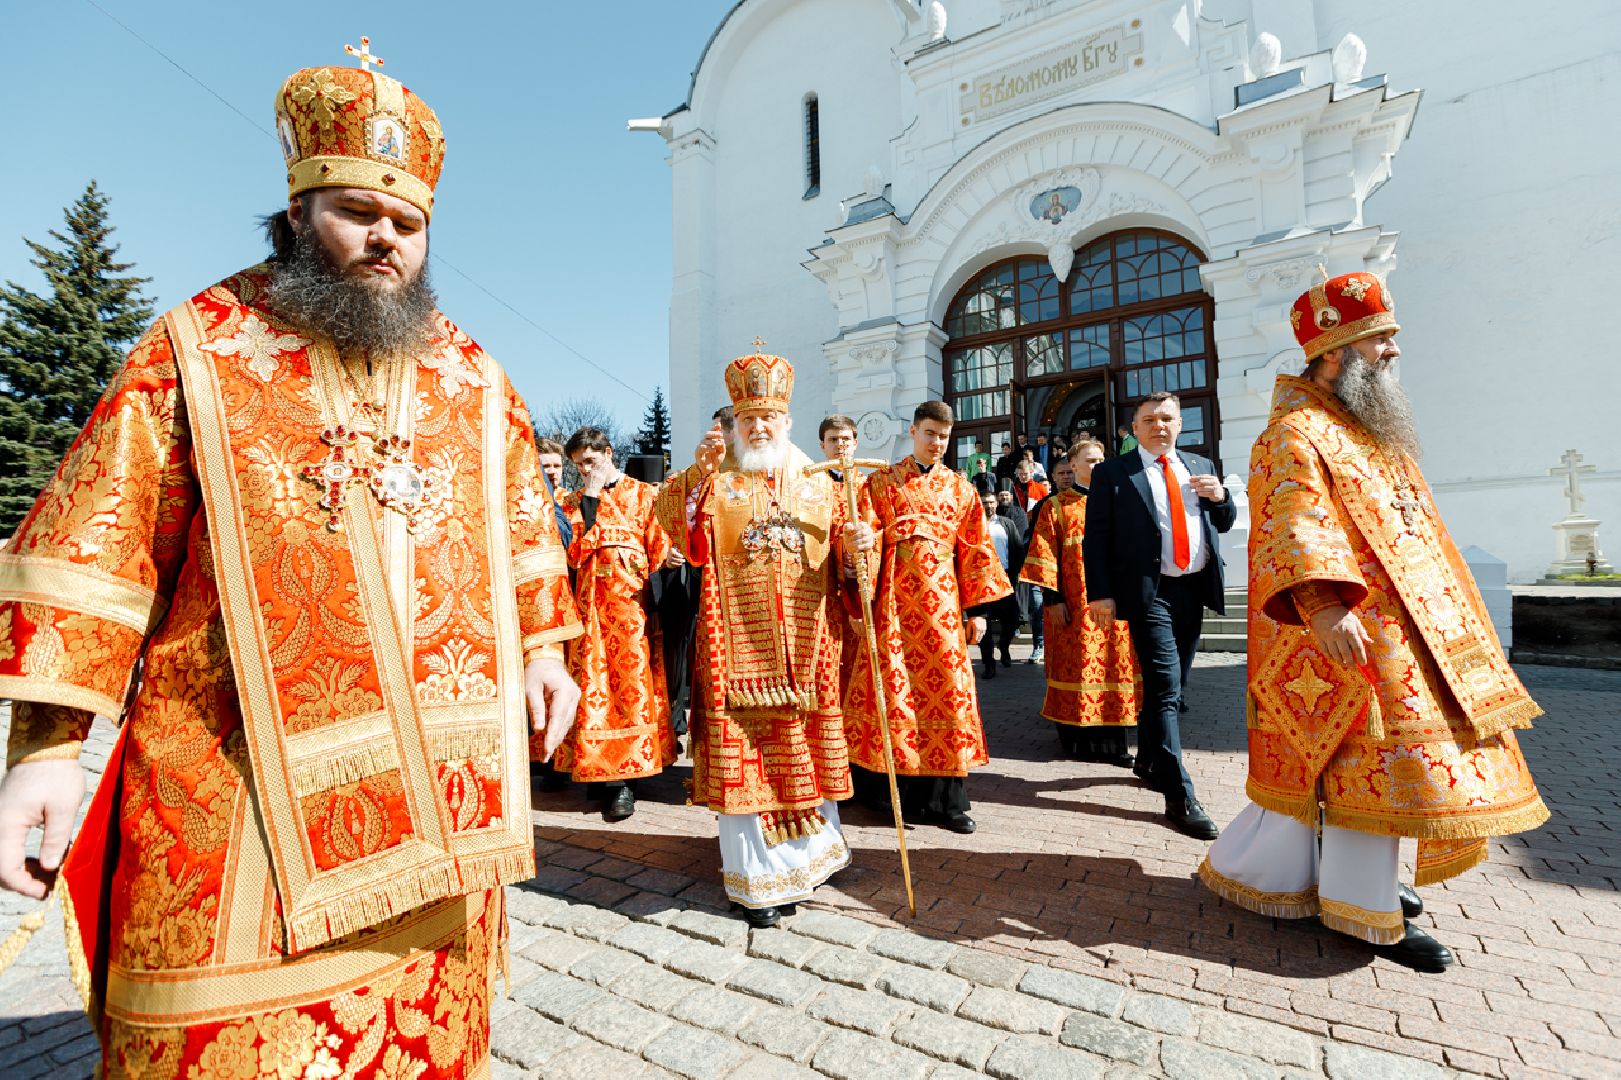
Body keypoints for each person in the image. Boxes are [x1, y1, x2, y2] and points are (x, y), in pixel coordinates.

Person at [0, 53, 585, 1074]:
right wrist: (46, 749)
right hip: (226, 774)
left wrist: (544, 648)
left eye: (407, 224)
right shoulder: (199, 349)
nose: (386, 240)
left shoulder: (471, 375)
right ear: (300, 207)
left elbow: (522, 521)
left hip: (437, 797)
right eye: (360, 212)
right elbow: (99, 540)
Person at [1200, 272, 1548, 971]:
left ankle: (1347, 879)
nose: (1392, 349)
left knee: (1397, 766)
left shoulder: (1367, 431)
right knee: (1373, 765)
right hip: (1354, 627)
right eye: (1378, 338)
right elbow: (1292, 522)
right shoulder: (1293, 433)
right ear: (1332, 349)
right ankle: (1364, 912)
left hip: (1419, 632)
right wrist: (1324, 606)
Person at [655, 350, 868, 928]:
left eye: (768, 419)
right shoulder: (715, 486)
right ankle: (755, 881)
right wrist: (699, 476)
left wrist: (858, 552)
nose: (758, 428)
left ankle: (806, 864)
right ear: (735, 427)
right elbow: (685, 537)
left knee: (805, 754)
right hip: (735, 651)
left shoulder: (821, 489)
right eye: (747, 420)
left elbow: (847, 577)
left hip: (806, 651)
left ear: (788, 423)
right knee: (746, 760)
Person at [844, 401, 1012, 834]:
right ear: (914, 431)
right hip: (894, 610)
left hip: (943, 612)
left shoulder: (962, 490)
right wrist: (864, 539)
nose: (937, 443)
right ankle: (885, 793)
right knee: (893, 694)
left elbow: (975, 552)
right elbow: (861, 544)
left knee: (947, 696)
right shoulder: (879, 483)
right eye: (930, 433)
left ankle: (947, 802)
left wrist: (977, 611)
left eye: (944, 436)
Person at [1084, 392, 1234, 840]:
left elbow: (1222, 523)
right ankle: (1179, 794)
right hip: (1149, 595)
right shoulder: (1114, 473)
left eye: (1167, 418)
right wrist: (1102, 594)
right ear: (1134, 428)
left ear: (1180, 423)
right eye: (1149, 419)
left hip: (1194, 587)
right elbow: (1097, 539)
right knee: (1167, 687)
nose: (1159, 426)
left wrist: (1221, 496)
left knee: (1174, 684)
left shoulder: (1198, 464)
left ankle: (1148, 759)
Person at [551, 426, 676, 822]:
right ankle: (595, 773)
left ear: (608, 453)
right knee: (591, 691)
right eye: (579, 465)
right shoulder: (572, 500)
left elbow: (659, 547)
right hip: (587, 613)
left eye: (591, 460)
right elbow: (572, 554)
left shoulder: (643, 494)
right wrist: (588, 497)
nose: (586, 469)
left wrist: (670, 557)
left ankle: (625, 782)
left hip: (631, 613)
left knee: (629, 692)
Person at [1021, 440, 1139, 763]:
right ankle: (1078, 741)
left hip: (1114, 607)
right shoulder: (1056, 506)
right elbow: (1043, 555)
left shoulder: (1118, 500)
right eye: (1090, 459)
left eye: (1102, 458)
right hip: (1074, 608)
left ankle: (1115, 745)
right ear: (1073, 465)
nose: (1098, 463)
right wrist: (1053, 599)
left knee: (1114, 670)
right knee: (1079, 670)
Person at [972, 491, 1024, 678]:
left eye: (992, 502)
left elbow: (1018, 548)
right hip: (980, 580)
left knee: (1013, 618)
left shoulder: (1006, 524)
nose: (989, 506)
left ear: (997, 503)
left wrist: (1014, 574)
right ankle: (988, 663)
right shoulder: (973, 524)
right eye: (985, 502)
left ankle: (1004, 644)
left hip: (1004, 578)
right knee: (982, 620)